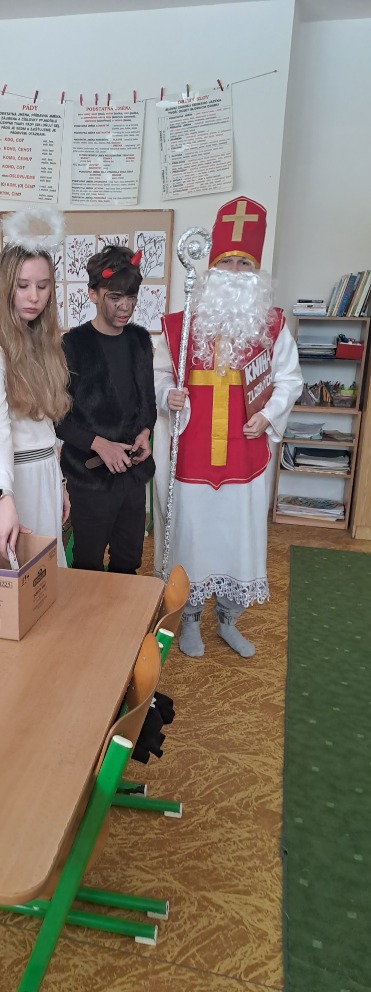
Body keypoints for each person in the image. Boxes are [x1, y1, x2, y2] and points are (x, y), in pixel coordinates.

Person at [153, 196, 302, 657]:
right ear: (211, 268)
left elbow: (290, 380)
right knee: (193, 542)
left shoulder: (272, 327)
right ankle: (190, 621)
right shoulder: (179, 327)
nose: (235, 272)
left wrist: (269, 415)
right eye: (226, 262)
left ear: (256, 273)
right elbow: (158, 375)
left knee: (238, 543)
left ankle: (228, 620)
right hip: (193, 457)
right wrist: (166, 394)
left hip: (244, 457)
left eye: (244, 263)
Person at [0, 214, 71, 566]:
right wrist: (2, 497)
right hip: (12, 479)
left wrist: (60, 482)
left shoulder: (40, 340)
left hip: (42, 473)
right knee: (16, 576)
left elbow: (44, 424)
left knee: (46, 576)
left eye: (43, 286)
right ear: (5, 286)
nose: (34, 296)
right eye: (23, 285)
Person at [56, 245, 156, 574]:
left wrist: (145, 433)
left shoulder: (140, 342)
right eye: (115, 297)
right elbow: (58, 420)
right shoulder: (73, 346)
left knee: (128, 561)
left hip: (132, 475)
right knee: (87, 564)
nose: (125, 306)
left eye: (131, 297)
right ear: (93, 294)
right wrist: (100, 444)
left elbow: (148, 404)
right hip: (89, 477)